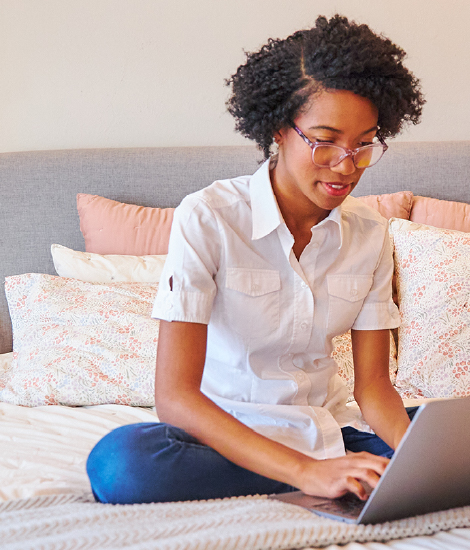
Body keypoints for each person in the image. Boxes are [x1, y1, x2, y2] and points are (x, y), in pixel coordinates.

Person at [86, 14, 425, 505]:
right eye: (325, 140)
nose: (346, 165)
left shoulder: (369, 233)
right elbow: (175, 398)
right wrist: (306, 473)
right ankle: (330, 477)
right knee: (121, 464)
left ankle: (360, 472)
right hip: (225, 437)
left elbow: (373, 389)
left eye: (364, 144)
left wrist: (419, 458)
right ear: (278, 130)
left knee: (467, 438)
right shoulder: (209, 218)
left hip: (328, 432)